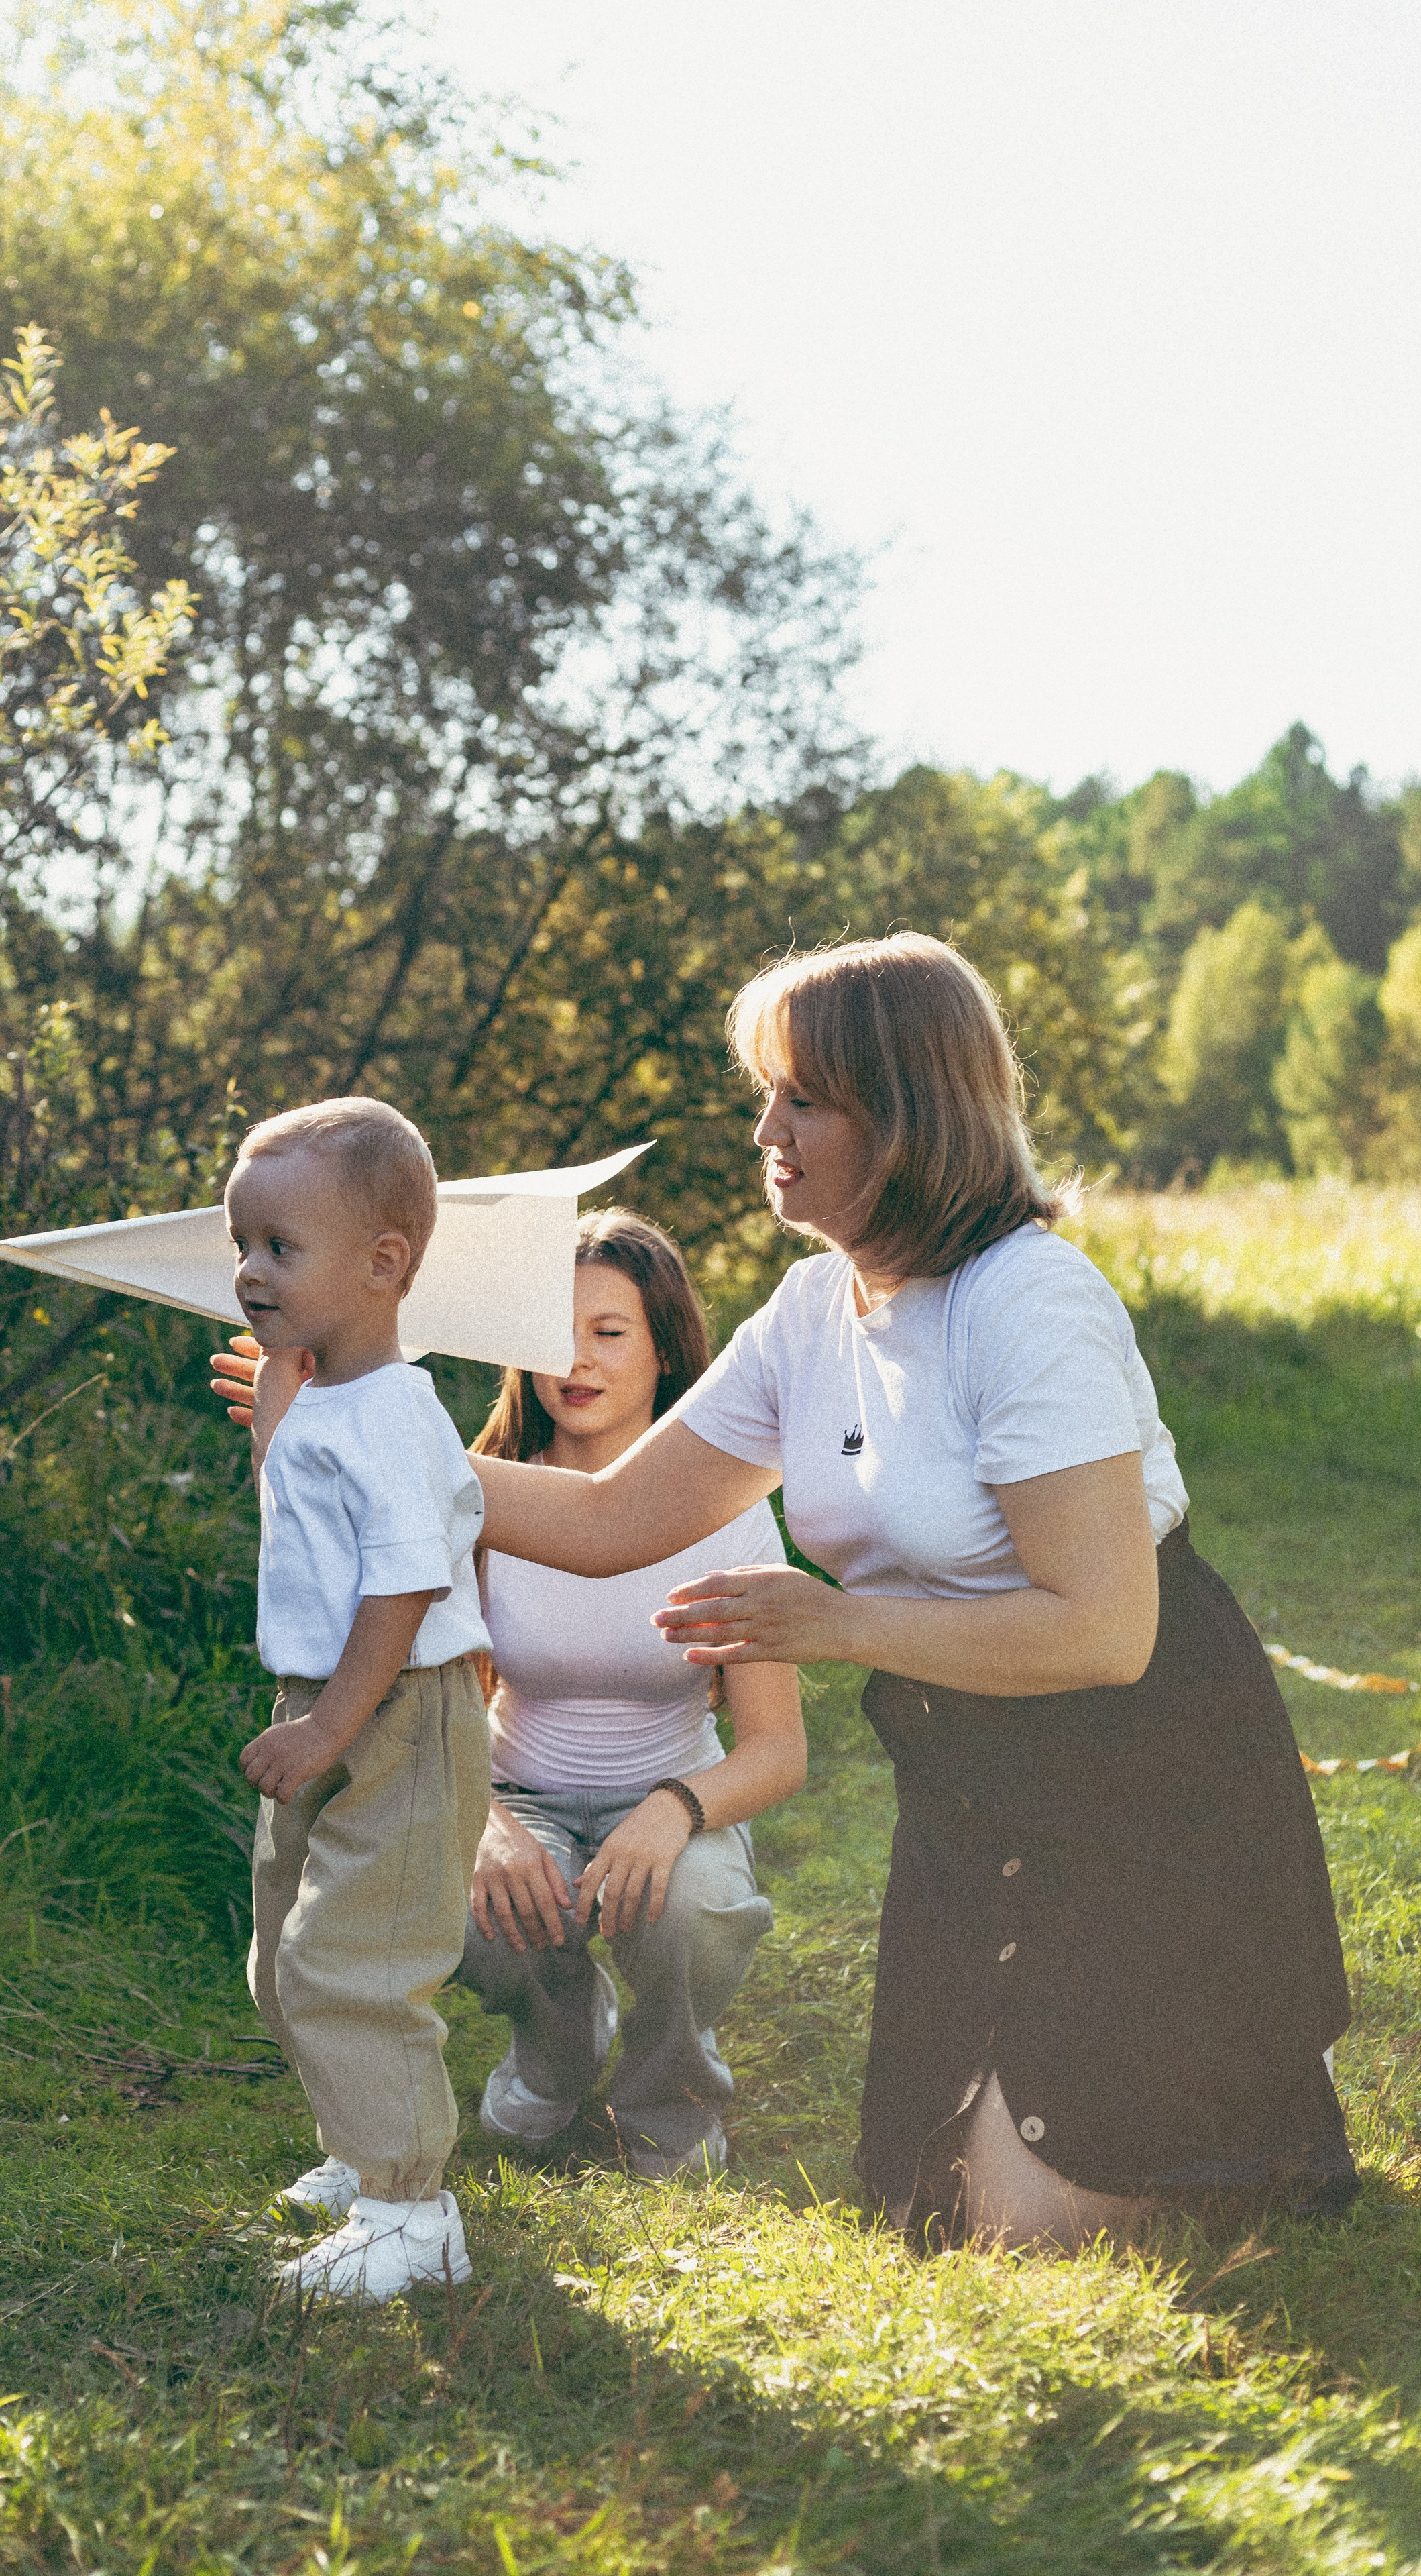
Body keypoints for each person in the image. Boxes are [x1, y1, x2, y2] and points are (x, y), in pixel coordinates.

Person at [467, 935, 1357, 2247]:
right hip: (972, 1793)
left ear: (905, 1114)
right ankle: (1191, 2085)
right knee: (922, 2205)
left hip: (1144, 1771)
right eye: (763, 1093)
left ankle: (1241, 2067)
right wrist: (366, 1439)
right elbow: (609, 1519)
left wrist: (834, 1625)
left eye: (801, 1098)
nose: (763, 1127)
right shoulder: (809, 1312)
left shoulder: (1027, 1300)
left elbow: (1107, 1633)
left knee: (1023, 2229)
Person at [460, 1211, 806, 2179]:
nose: (576, 1360)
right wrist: (483, 1821)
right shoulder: (487, 1498)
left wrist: (674, 1809)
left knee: (687, 1904)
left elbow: (778, 1751)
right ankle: (557, 2044)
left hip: (673, 1797)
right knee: (456, 1898)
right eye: (552, 1335)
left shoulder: (729, 1513)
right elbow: (432, 1707)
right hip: (520, 1796)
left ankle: (672, 2093)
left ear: (665, 1352)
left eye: (609, 1332)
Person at [219, 1095, 492, 2303]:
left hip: (399, 1708)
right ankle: (355, 2142)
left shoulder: (393, 1409)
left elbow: (404, 1583)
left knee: (357, 1958)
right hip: (325, 1697)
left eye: (281, 1248)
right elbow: (320, 1537)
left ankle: (411, 2210)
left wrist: (332, 1723)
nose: (248, 1271)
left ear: (386, 1266)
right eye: (245, 1245)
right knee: (285, 1953)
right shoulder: (329, 1395)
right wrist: (276, 1412)